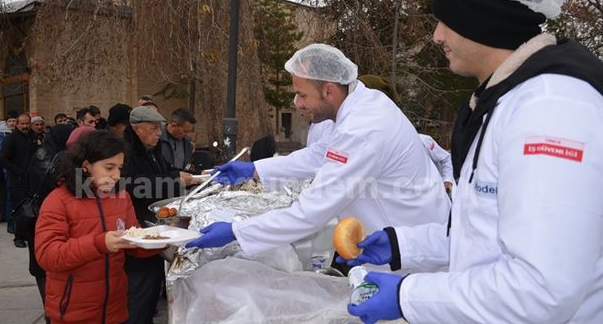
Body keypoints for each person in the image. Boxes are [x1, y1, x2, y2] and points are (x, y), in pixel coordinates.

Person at [343, 0, 603, 323]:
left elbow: (540, 290)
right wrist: (401, 244)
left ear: (481, 20)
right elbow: (485, 233)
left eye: (445, 21)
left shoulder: (550, 110)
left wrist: (408, 296)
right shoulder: (505, 99)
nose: (436, 37)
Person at [187, 44, 450, 262]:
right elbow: (319, 155)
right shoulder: (362, 105)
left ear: (328, 90)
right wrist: (255, 169)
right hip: (400, 238)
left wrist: (237, 231)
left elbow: (310, 213)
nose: (296, 103)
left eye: (301, 95)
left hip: (412, 254)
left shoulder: (362, 129)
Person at [35, 130, 162, 323]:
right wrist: (98, 244)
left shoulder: (121, 197)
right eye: (109, 168)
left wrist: (161, 240)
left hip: (115, 309)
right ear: (86, 165)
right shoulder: (58, 201)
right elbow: (48, 255)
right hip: (73, 312)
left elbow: (133, 243)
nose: (117, 176)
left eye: (120, 168)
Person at [122, 106, 193, 324]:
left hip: (155, 224)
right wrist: (174, 182)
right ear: (136, 129)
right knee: (141, 286)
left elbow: (164, 171)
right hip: (137, 227)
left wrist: (182, 175)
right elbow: (133, 185)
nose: (158, 133)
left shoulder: (152, 150)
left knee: (152, 283)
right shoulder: (127, 153)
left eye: (158, 128)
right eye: (153, 129)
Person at [26, 124, 73, 314]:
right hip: (46, 219)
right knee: (46, 267)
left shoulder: (41, 153)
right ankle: (51, 310)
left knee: (41, 268)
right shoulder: (57, 159)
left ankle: (50, 308)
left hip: (36, 218)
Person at [0, 113, 38, 247]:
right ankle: (19, 237)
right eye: (22, 124)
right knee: (20, 209)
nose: (25, 126)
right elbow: (4, 159)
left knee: (32, 209)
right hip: (17, 180)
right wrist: (19, 172)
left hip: (32, 180)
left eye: (27, 123)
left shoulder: (34, 136)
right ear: (17, 124)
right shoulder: (11, 139)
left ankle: (30, 234)